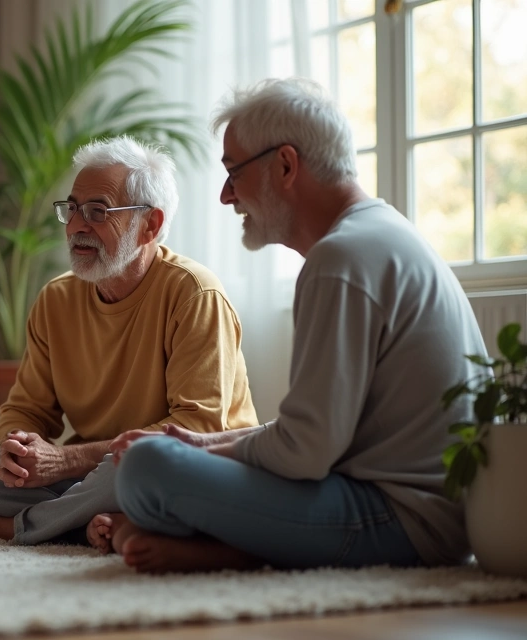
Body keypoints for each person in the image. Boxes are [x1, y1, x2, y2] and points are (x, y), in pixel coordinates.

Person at [101, 77, 488, 574]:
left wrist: (192, 451)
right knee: (159, 457)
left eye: (233, 172)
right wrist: (201, 443)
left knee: (146, 469)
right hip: (427, 513)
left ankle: (237, 551)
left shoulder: (341, 259)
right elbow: (316, 434)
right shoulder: (377, 233)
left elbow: (305, 453)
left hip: (403, 522)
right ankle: (234, 544)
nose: (225, 196)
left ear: (285, 165)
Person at [0, 135, 258, 547]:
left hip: (180, 471)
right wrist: (16, 445)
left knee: (138, 460)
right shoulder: (56, 298)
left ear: (149, 225)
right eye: (73, 209)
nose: (78, 225)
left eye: (98, 211)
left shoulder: (194, 294)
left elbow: (198, 428)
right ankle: (85, 522)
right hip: (89, 481)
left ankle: (14, 526)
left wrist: (66, 460)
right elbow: (27, 408)